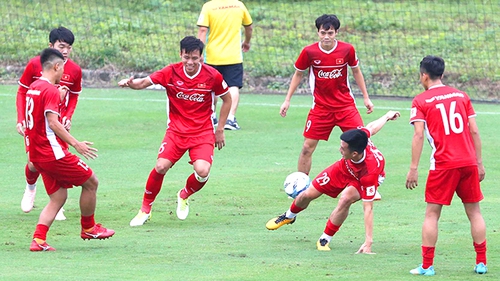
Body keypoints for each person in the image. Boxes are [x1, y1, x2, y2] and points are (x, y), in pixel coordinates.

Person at [118, 36, 231, 226]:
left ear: (201, 57)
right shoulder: (170, 72)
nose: (190, 62)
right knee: (161, 166)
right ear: (181, 54)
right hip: (176, 132)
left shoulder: (213, 76)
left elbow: (227, 99)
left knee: (202, 171)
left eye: (195, 58)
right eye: (187, 57)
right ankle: (145, 209)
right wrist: (130, 83)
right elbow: (144, 83)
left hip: (202, 133)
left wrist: (220, 129)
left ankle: (184, 194)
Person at [266, 111, 400, 253]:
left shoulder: (370, 171)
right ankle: (289, 216)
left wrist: (368, 242)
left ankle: (325, 238)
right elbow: (371, 127)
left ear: (354, 153)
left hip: (362, 178)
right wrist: (386, 117)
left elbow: (368, 208)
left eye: (343, 148)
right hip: (344, 167)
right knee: (308, 194)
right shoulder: (359, 136)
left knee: (345, 199)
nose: (339, 149)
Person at [406, 56, 487, 276]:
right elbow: (475, 131)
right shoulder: (462, 96)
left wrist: (413, 168)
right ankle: (481, 263)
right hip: (469, 162)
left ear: (424, 75)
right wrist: (479, 162)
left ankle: (427, 266)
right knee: (474, 212)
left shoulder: (421, 101)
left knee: (432, 214)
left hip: (443, 164)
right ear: (442, 73)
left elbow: (419, 135)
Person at [26, 48, 114, 251]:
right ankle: (89, 227)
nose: (62, 73)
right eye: (62, 69)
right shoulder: (49, 90)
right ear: (56, 66)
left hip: (37, 155)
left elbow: (40, 120)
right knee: (91, 182)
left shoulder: (34, 87)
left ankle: (38, 240)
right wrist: (76, 144)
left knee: (58, 197)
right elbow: (53, 123)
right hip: (53, 154)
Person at [280, 14, 374, 176]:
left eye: (330, 33)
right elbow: (298, 74)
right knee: (307, 147)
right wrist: (287, 100)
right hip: (321, 109)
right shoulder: (309, 52)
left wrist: (366, 97)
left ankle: (369, 184)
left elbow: (356, 71)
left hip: (346, 107)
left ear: (336, 32)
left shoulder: (347, 50)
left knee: (361, 144)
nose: (326, 37)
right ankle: (301, 186)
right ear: (318, 32)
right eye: (323, 33)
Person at [17, 26, 82, 220]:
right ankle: (30, 188)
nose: (65, 51)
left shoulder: (75, 70)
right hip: (35, 124)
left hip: (56, 123)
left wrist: (68, 116)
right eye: (61, 46)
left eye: (68, 47)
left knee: (59, 159)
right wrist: (21, 119)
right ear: (51, 45)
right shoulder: (35, 65)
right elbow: (22, 91)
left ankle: (57, 204)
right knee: (34, 164)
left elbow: (74, 96)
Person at [197, 0, 253, 130]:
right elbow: (249, 27)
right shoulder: (238, 5)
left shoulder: (208, 6)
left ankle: (211, 116)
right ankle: (230, 119)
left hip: (212, 56)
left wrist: (199, 51)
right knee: (233, 86)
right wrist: (247, 42)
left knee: (211, 87)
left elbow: (202, 29)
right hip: (233, 56)